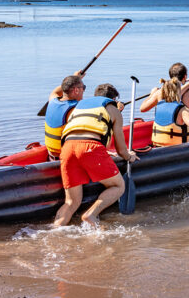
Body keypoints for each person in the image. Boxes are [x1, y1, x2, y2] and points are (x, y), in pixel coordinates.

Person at [54, 83, 138, 227]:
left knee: (71, 201)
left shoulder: (79, 106)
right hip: (90, 148)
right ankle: (91, 214)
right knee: (118, 186)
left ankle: (56, 229)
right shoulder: (113, 109)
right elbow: (121, 150)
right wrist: (129, 156)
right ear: (114, 99)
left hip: (67, 149)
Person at [44, 71, 86, 161]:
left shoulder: (52, 100)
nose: (84, 90)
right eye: (84, 87)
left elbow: (55, 91)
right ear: (76, 90)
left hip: (51, 155)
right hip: (65, 159)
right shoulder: (75, 110)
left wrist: (74, 77)